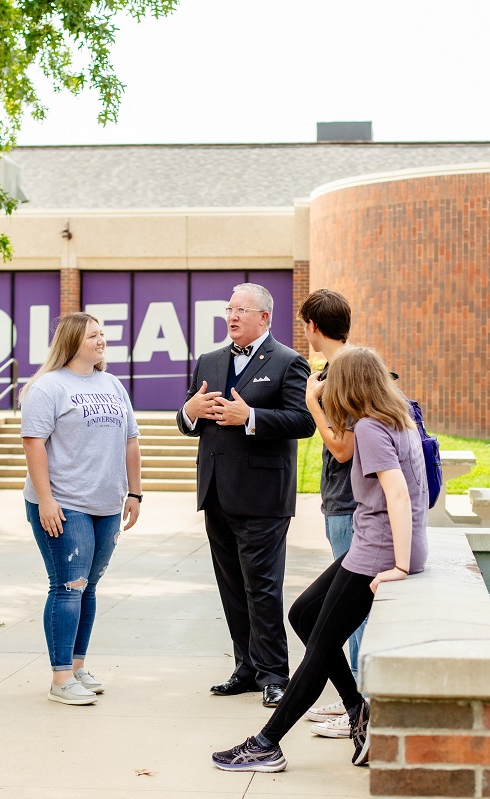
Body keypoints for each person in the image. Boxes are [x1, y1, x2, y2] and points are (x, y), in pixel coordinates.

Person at [211, 346, 429, 772]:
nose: (326, 389)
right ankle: (357, 709)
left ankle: (266, 743)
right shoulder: (396, 417)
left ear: (348, 385)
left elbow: (398, 494)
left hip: (378, 553)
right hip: (375, 544)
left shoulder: (369, 427)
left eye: (332, 382)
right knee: (304, 615)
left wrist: (400, 566)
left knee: (319, 648)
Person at [177, 282, 315, 708]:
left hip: (263, 497)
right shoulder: (210, 360)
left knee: (263, 588)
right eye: (229, 309)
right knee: (232, 588)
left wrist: (250, 416)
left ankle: (275, 674)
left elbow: (304, 421)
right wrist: (189, 413)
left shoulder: (290, 362)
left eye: (242, 310)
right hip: (216, 492)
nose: (232, 316)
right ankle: (247, 668)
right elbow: (188, 418)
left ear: (265, 318)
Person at [21, 312, 142, 706]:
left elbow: (130, 441)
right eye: (93, 335)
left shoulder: (112, 384)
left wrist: (135, 493)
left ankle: (76, 667)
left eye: (102, 334)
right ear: (73, 341)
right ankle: (59, 678)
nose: (101, 340)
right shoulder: (48, 387)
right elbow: (33, 443)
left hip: (106, 504)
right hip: (64, 503)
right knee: (68, 587)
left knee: (88, 588)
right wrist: (47, 500)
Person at [297, 289, 365, 739]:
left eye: (307, 325)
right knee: (349, 611)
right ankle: (355, 702)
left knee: (351, 611)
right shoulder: (351, 365)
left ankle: (358, 706)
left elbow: (342, 447)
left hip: (348, 506)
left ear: (314, 327)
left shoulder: (339, 374)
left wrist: (312, 404)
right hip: (345, 505)